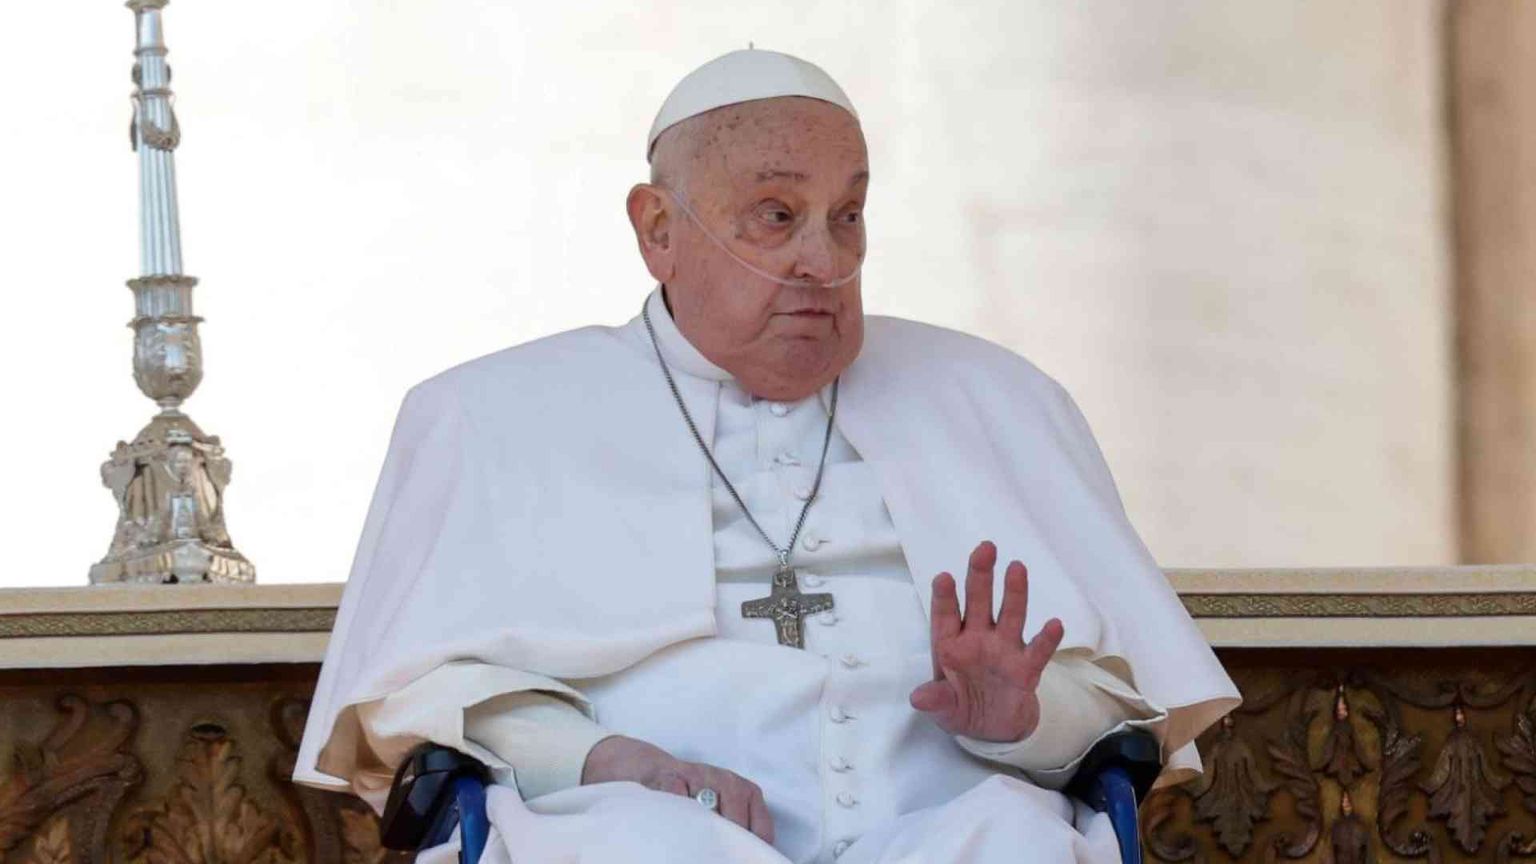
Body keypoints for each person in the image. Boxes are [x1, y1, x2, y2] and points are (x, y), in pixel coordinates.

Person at [295, 48, 1239, 864]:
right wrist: (604, 762)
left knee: (1018, 839)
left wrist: (1023, 719)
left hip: (942, 832)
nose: (824, 263)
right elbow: (423, 703)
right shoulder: (489, 414)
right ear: (658, 231)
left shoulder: (997, 399)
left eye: (849, 216)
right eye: (776, 216)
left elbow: (1120, 717)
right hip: (641, 830)